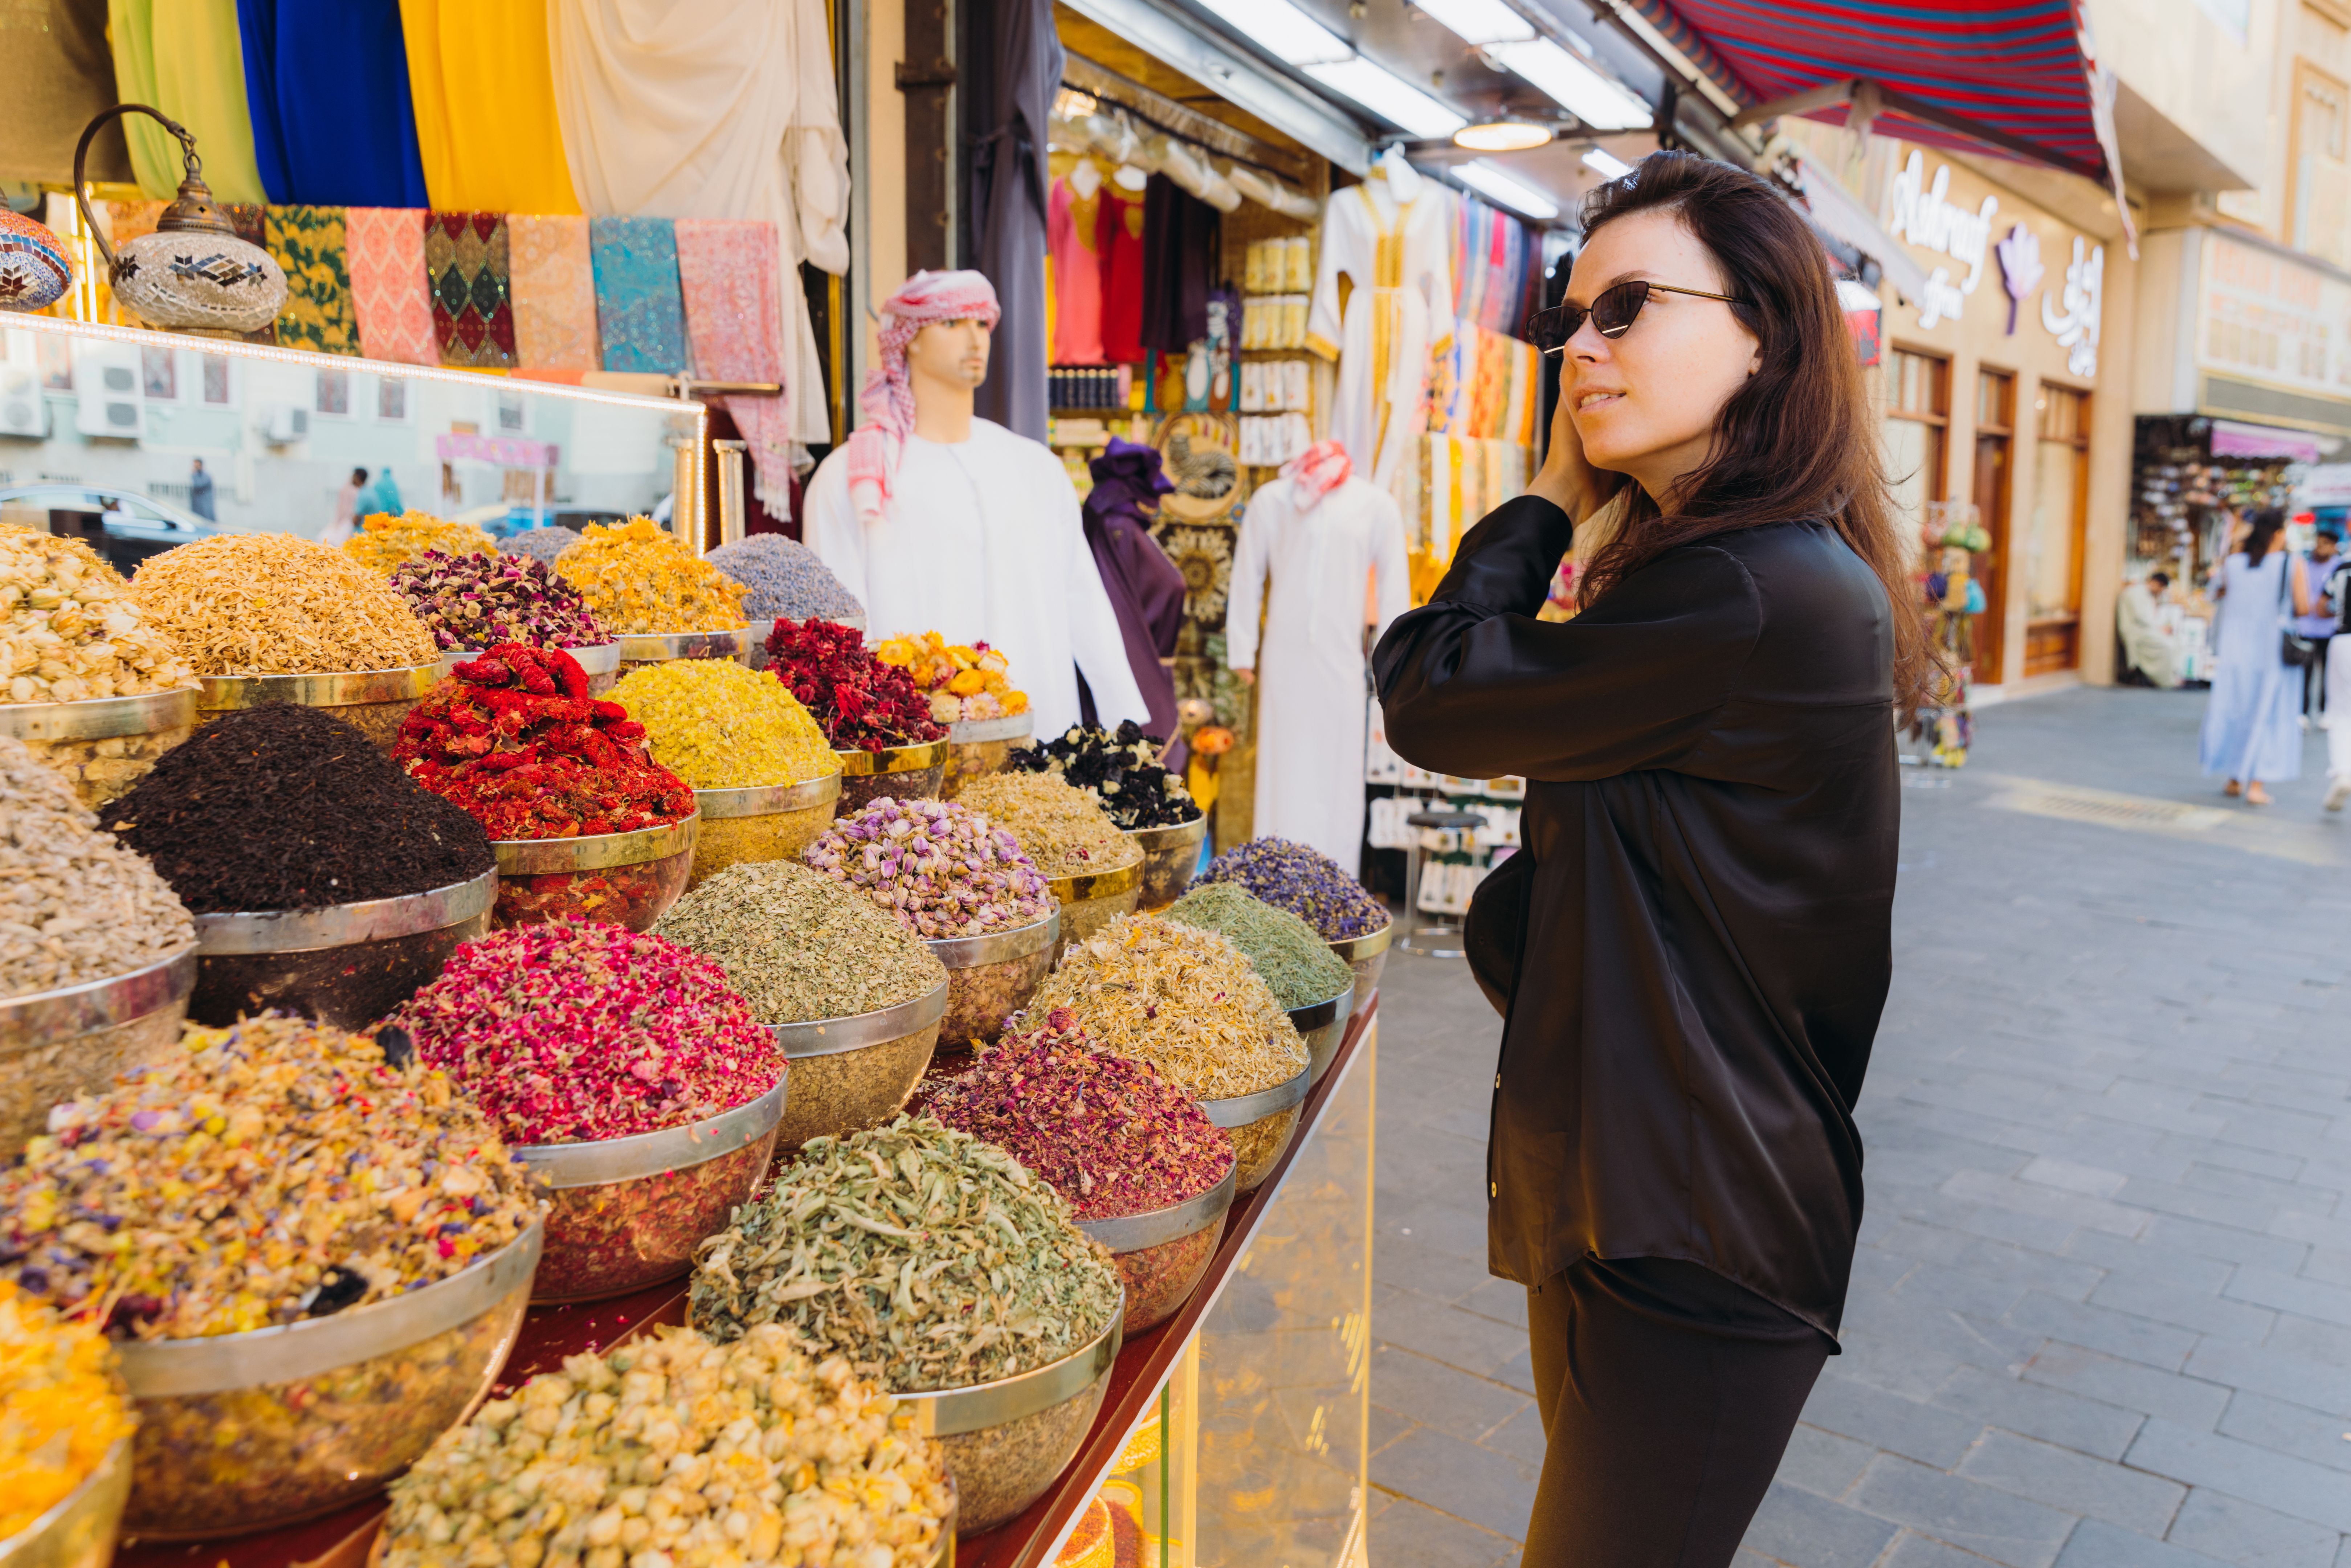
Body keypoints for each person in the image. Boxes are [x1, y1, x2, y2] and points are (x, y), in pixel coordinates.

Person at [1372, 152, 1916, 1568]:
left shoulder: (1742, 589)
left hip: (1696, 1225)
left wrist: (1547, 489)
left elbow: (1430, 689)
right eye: (1570, 315)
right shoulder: (1729, 570)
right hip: (1644, 1203)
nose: (1580, 346)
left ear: (1763, 334)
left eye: (1626, 309)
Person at [803, 269, 1148, 739]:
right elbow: (838, 629)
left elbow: (1081, 594)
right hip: (913, 742)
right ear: (909, 340)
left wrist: (1122, 714)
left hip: (1041, 722)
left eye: (982, 324)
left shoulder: (1034, 467)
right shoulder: (853, 476)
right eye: (951, 324)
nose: (974, 339)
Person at [1226, 439, 1409, 870]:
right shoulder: (1273, 500)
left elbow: (1394, 591)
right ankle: (1273, 874)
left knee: (1339, 772)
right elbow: (1246, 576)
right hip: (1283, 660)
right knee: (1280, 767)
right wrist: (1242, 651)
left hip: (1341, 659)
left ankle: (1335, 879)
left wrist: (1394, 662)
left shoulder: (1375, 506)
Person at [2199, 508, 2309, 806]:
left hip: (2236, 649)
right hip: (2271, 649)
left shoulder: (2234, 564)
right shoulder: (2290, 563)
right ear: (2277, 533)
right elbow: (2303, 607)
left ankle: (2234, 778)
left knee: (2236, 708)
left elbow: (2218, 593)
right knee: (2268, 712)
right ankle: (2256, 784)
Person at [2294, 529, 2344, 716]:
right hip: (2306, 627)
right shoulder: (2304, 566)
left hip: (2331, 629)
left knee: (2330, 674)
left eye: (2325, 543)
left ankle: (2325, 711)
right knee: (2305, 674)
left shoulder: (2339, 567)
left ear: (2333, 546)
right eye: (2318, 543)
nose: (2320, 547)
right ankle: (2303, 712)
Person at [2117, 569, 2184, 688]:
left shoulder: (2147, 594)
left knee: (2175, 642)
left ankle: (2173, 676)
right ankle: (2166, 681)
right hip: (2136, 632)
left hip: (2144, 630)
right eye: (2161, 587)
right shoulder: (2136, 593)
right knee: (2166, 646)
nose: (2161, 591)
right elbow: (2141, 618)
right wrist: (2159, 629)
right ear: (2154, 583)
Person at [327, 467, 366, 545]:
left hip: (351, 525)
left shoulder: (359, 493)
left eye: (354, 476)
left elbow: (347, 511)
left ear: (357, 477)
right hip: (350, 524)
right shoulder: (360, 491)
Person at [187, 457, 215, 523]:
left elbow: (199, 485)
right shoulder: (198, 475)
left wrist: (194, 475)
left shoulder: (206, 476)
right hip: (198, 505)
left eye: (196, 465)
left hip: (205, 506)